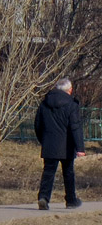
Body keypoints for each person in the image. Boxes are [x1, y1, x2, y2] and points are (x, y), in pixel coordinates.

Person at [34, 77, 86, 210]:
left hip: (49, 143)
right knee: (68, 173)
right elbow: (75, 126)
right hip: (66, 145)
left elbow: (38, 124)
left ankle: (43, 198)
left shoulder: (44, 103)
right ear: (69, 90)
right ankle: (71, 200)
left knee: (48, 172)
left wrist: (43, 140)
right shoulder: (71, 105)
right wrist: (80, 147)